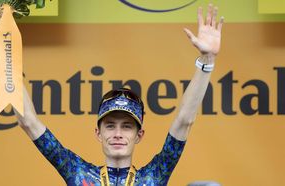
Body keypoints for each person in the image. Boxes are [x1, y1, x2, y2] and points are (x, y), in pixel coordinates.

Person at [14, 4, 224, 186]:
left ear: (138, 135)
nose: (118, 134)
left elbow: (184, 121)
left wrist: (207, 60)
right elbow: (28, 121)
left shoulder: (154, 176)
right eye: (110, 125)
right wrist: (6, 63)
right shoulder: (76, 172)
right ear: (98, 133)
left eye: (126, 126)